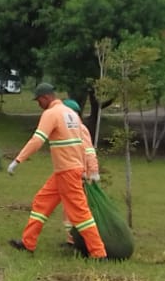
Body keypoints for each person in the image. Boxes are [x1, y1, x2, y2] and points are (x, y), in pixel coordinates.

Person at [6, 83, 107, 258]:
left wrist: (18, 160)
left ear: (45, 97)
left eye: (38, 100)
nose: (38, 104)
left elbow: (38, 139)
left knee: (80, 212)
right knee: (41, 202)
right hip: (67, 171)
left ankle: (98, 253)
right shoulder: (72, 115)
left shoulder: (51, 113)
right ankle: (28, 243)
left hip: (67, 172)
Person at [59, 98, 99, 246]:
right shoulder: (70, 129)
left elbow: (89, 151)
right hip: (72, 173)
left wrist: (92, 173)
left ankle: (85, 241)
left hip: (81, 175)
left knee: (79, 209)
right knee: (69, 208)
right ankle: (72, 239)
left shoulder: (80, 129)